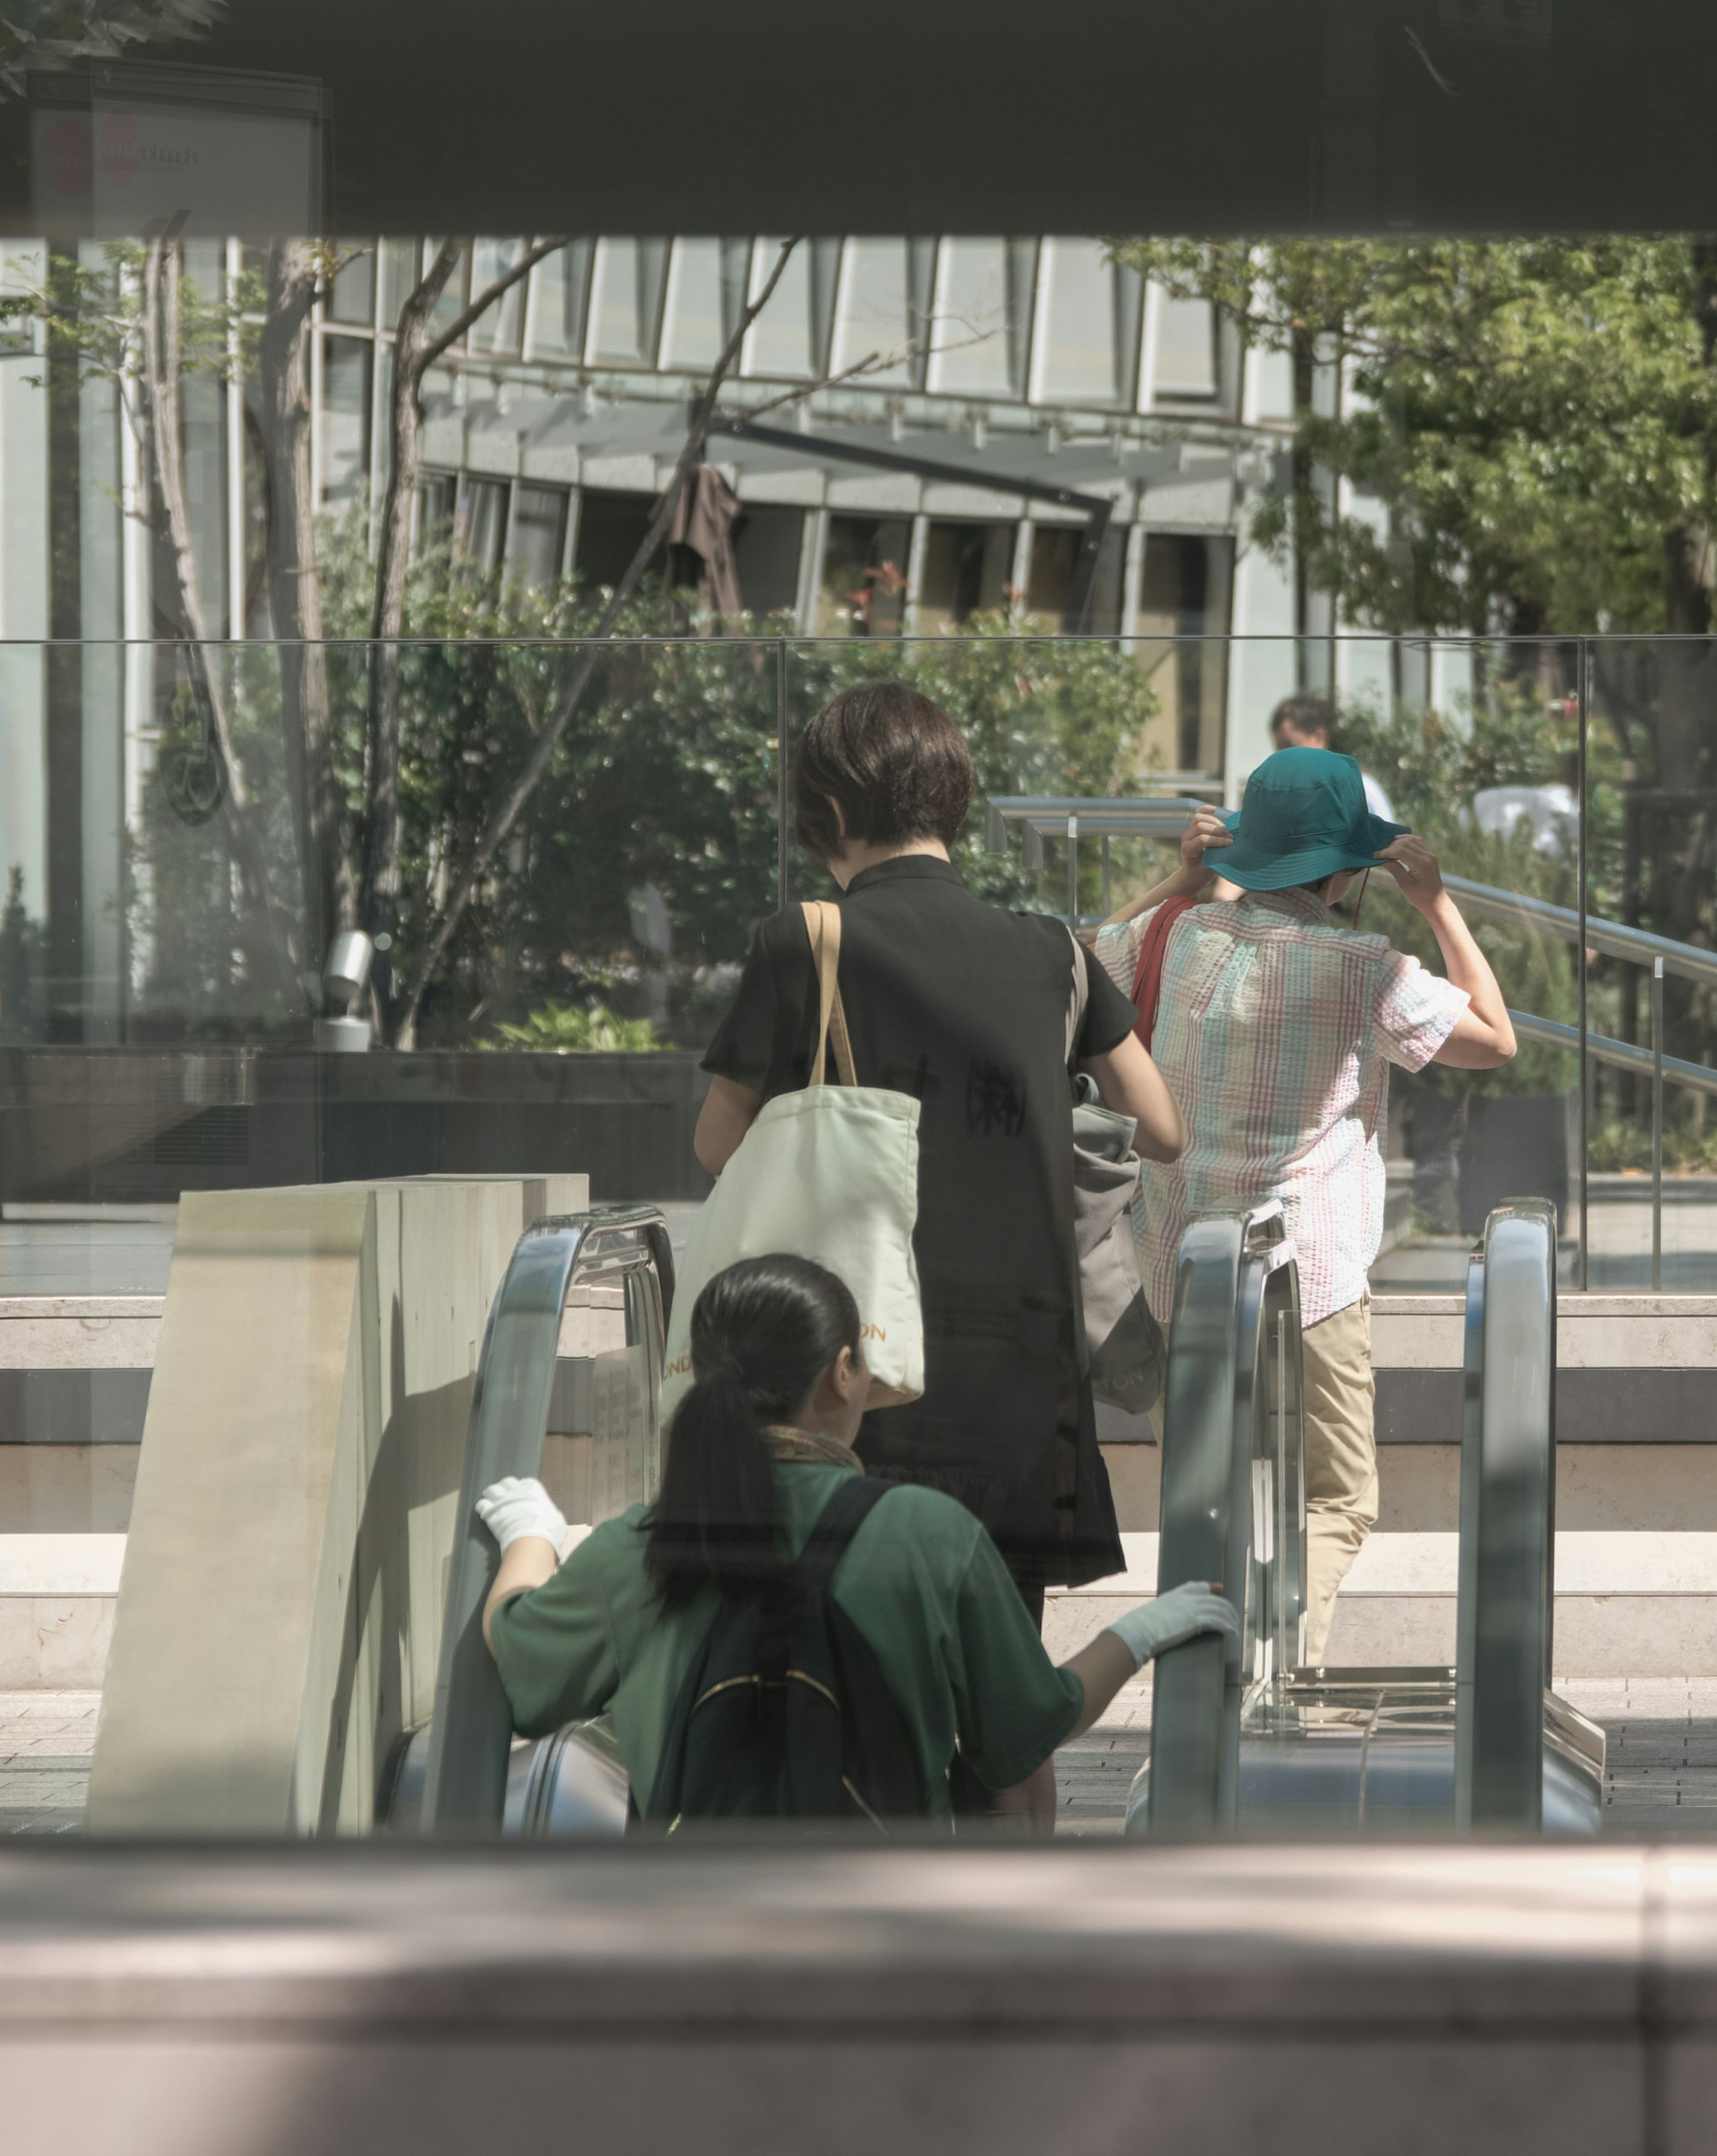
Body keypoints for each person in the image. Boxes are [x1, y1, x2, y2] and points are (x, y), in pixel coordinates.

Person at [692, 680, 1184, 1806]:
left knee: (857, 1693)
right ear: (953, 803)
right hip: (1019, 1389)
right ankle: (1015, 1953)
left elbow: (721, 1144)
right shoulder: (1054, 953)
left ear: (825, 812)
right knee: (1009, 1715)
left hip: (853, 1382)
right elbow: (1160, 1130)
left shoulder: (802, 945)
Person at [476, 1254, 1236, 1831]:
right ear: (843, 1374)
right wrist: (1140, 1632)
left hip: (693, 1949)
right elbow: (1028, 1729)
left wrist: (529, 1537)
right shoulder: (926, 1531)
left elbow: (520, 1658)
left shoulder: (637, 1548)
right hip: (888, 1940)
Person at [1092, 746, 1519, 1665]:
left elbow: (1078, 972)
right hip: (1310, 1273)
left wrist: (1179, 878)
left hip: (1178, 1272)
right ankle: (1272, 1659)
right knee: (1336, 1498)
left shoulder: (1175, 932)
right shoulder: (1365, 964)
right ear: (1342, 868)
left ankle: (1209, 1692)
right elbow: (1495, 1041)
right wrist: (1438, 903)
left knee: (1204, 1504)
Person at [1269, 692, 1398, 823]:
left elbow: (1389, 841)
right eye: (1279, 750)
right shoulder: (1283, 799)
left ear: (1319, 738)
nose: (1284, 758)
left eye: (1290, 746)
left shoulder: (1362, 790)